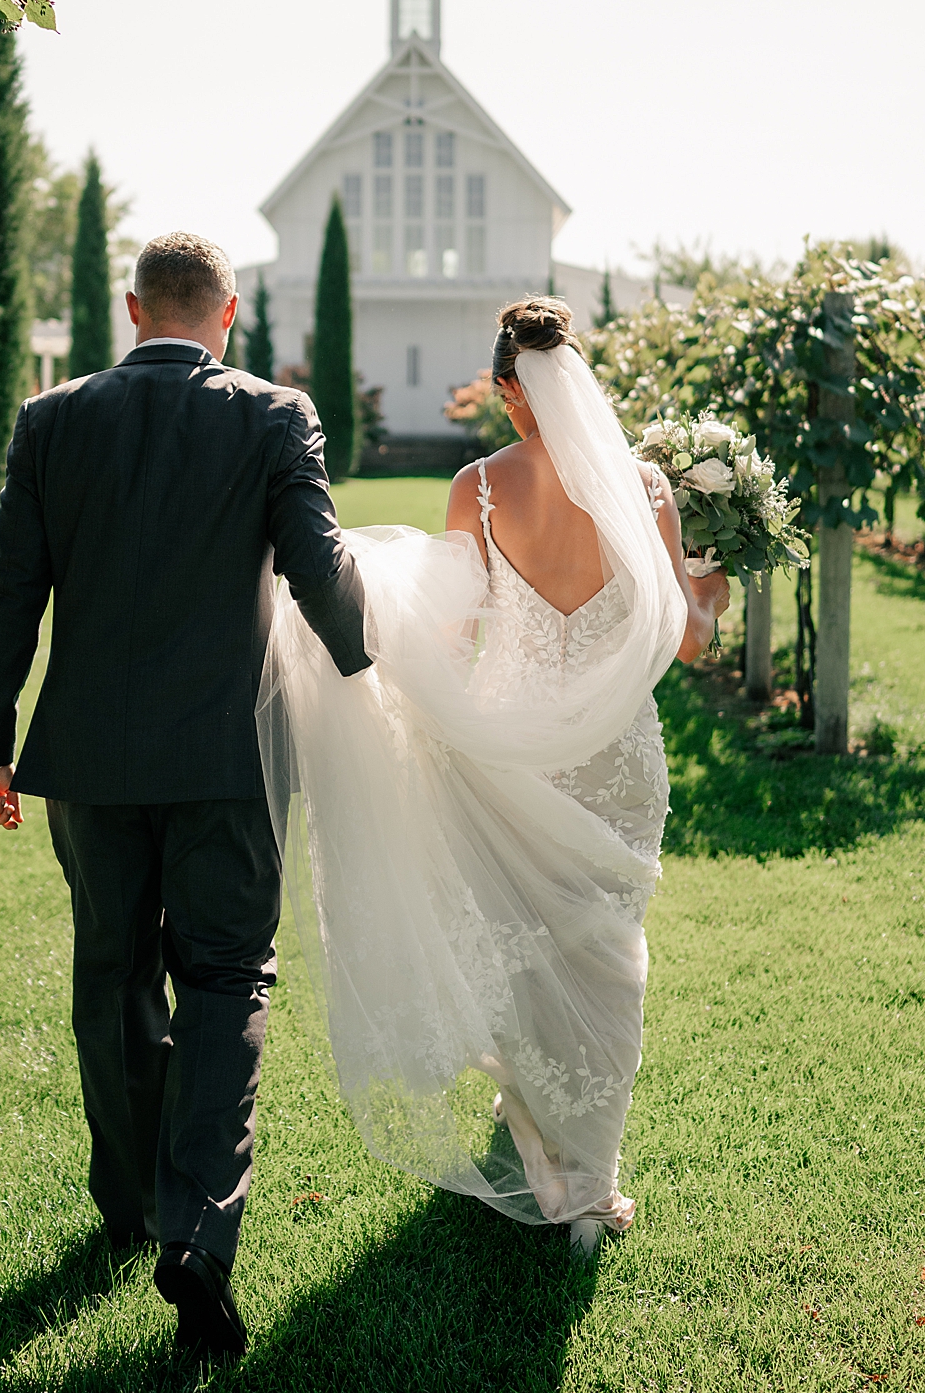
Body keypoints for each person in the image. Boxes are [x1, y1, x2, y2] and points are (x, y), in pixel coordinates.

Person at [0, 231, 370, 1359]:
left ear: (134, 310)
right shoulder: (275, 416)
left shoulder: (52, 420)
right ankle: (197, 1234)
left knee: (112, 970)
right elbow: (316, 565)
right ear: (227, 315)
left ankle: (130, 1208)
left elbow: (10, 593)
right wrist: (372, 673)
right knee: (229, 976)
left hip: (85, 763)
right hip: (228, 763)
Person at [257, 296, 728, 1252]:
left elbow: (453, 637)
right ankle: (589, 1169)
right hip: (617, 754)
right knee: (608, 943)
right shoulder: (647, 491)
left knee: (519, 934)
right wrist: (711, 596)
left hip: (512, 746)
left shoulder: (476, 486)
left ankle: (544, 1132)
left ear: (511, 390)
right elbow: (687, 641)